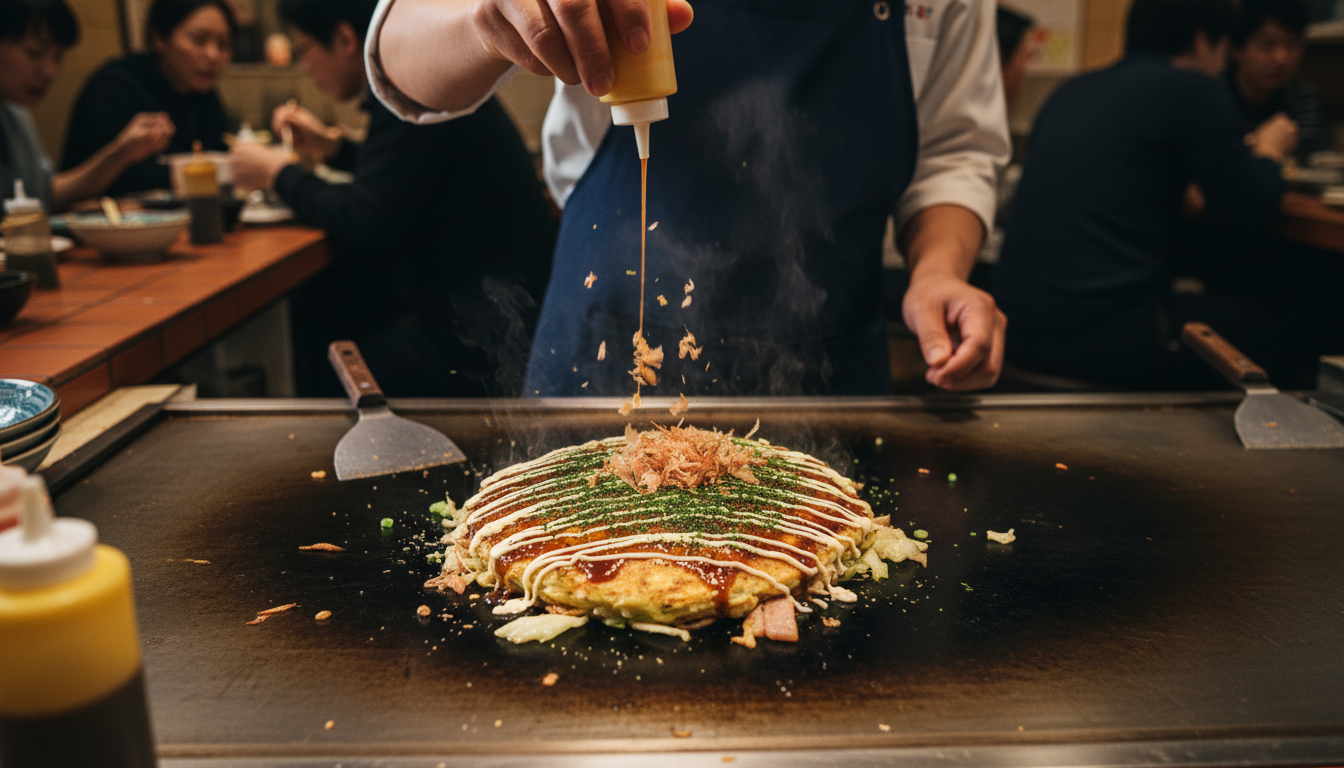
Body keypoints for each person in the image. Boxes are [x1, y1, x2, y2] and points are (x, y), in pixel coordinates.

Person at [366, 0, 1010, 397]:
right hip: (607, 353)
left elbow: (953, 151)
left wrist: (938, 272)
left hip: (825, 366)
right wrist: (487, 18)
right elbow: (399, 58)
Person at [228, 0, 556, 398]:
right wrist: (333, 148)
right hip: (507, 310)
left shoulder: (412, 86)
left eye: (303, 50)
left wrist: (276, 173)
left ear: (345, 39)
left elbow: (365, 219)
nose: (305, 67)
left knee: (327, 371)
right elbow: (404, 175)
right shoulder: (426, 78)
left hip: (486, 337)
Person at [994, 0, 1299, 390]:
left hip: (1018, 329)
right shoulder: (1192, 89)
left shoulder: (1072, 89)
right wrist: (1269, 151)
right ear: (1203, 39)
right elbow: (1249, 203)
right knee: (1291, 326)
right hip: (1107, 340)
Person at [0, 0, 173, 211]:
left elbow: (47, 194)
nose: (51, 72)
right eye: (34, 53)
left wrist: (121, 153)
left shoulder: (15, 112)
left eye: (58, 57)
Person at [61, 0, 234, 197]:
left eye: (224, 45)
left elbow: (217, 151)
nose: (213, 55)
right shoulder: (115, 86)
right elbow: (119, 180)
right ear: (158, 37)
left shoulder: (205, 96)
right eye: (198, 40)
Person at [1227, 0, 1327, 165]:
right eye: (1267, 45)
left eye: (1291, 45)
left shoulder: (1301, 97)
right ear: (1236, 50)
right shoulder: (1215, 96)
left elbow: (1311, 161)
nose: (1281, 58)